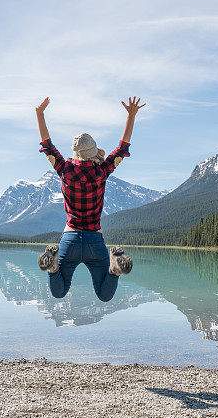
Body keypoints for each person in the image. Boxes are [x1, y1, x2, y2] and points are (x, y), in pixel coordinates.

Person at [35, 96, 145, 302]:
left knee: (59, 292)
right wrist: (131, 116)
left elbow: (47, 146)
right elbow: (122, 148)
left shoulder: (65, 169)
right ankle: (114, 269)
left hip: (70, 239)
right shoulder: (101, 171)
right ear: (93, 151)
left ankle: (52, 267)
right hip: (95, 240)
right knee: (104, 295)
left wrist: (40, 114)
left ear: (75, 153)